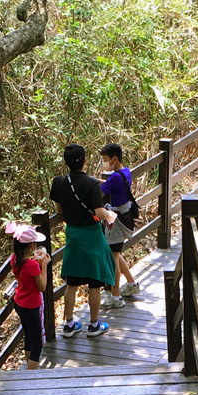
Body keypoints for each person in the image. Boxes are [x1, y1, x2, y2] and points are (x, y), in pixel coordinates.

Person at [48, 143, 116, 338]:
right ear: (84, 161)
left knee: (73, 280)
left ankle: (69, 324)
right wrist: (109, 214)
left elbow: (60, 210)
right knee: (95, 282)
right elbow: (99, 213)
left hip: (73, 234)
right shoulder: (92, 184)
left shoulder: (59, 182)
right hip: (92, 234)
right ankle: (94, 325)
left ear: (66, 162)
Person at [99, 143, 141, 310]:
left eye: (105, 160)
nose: (104, 163)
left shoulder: (115, 177)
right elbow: (110, 184)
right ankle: (131, 283)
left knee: (113, 257)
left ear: (114, 159)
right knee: (115, 252)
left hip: (115, 220)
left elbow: (101, 190)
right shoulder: (125, 172)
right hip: (125, 215)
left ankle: (115, 297)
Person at [4, 221, 49, 369]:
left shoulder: (14, 259)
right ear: (31, 246)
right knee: (37, 344)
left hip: (20, 303)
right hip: (31, 306)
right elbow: (42, 287)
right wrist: (44, 265)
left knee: (28, 337)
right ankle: (31, 375)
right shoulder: (33, 265)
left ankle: (30, 368)